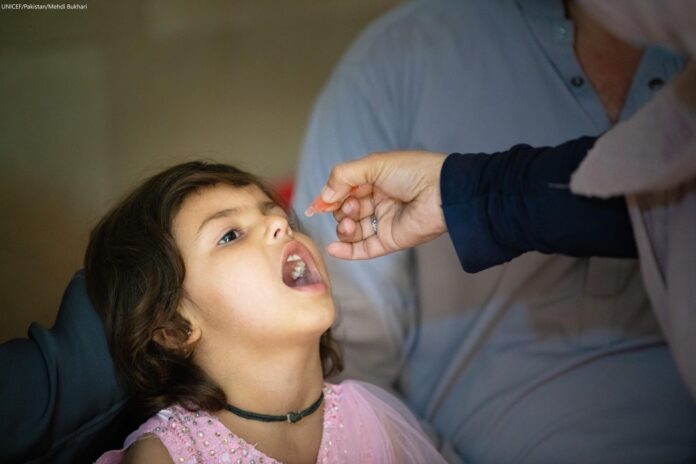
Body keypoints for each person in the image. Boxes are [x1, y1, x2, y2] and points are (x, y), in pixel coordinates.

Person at [292, 0, 696, 461]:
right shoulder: (398, 59)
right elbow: (348, 365)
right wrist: (458, 192)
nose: (276, 229)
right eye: (232, 234)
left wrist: (457, 192)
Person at [85, 161, 445, 463]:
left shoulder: (373, 421)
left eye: (279, 216)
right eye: (230, 235)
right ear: (174, 329)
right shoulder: (165, 456)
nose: (281, 225)